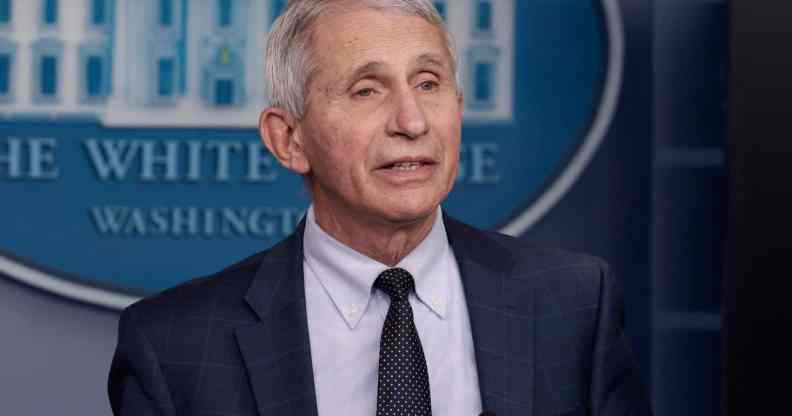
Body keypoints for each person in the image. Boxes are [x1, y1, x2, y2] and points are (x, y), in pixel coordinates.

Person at [108, 1, 652, 415]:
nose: (412, 121)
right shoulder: (173, 348)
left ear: (458, 111)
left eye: (428, 83)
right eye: (367, 90)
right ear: (289, 139)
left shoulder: (575, 305)